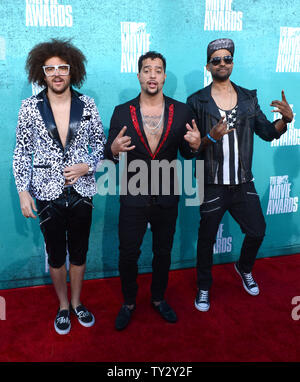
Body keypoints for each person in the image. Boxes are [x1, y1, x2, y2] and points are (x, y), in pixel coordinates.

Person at [187, 38, 293, 312]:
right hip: (212, 184)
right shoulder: (197, 101)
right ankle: (204, 287)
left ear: (232, 62)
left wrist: (286, 121)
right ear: (208, 65)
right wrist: (211, 136)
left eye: (227, 59)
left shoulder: (248, 98)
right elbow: (192, 149)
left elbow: (268, 133)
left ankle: (243, 267)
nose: (222, 63)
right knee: (206, 239)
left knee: (257, 231)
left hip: (243, 181)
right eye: (216, 59)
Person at [13, 38, 106, 334]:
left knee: (79, 253)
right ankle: (63, 306)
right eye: (50, 68)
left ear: (72, 70)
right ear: (41, 73)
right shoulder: (29, 107)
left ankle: (77, 303)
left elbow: (101, 146)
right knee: (55, 254)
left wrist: (87, 166)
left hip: (82, 192)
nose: (56, 73)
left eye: (62, 68)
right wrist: (23, 190)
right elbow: (22, 152)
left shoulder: (87, 104)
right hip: (46, 192)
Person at [105, 51, 201, 330]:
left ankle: (158, 298)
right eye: (147, 70)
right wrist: (112, 149)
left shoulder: (182, 110)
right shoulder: (122, 111)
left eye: (158, 70)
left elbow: (186, 150)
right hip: (133, 196)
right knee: (128, 253)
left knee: (163, 252)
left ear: (164, 77)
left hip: (167, 195)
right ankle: (129, 302)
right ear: (138, 75)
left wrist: (195, 145)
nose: (152, 75)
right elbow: (110, 152)